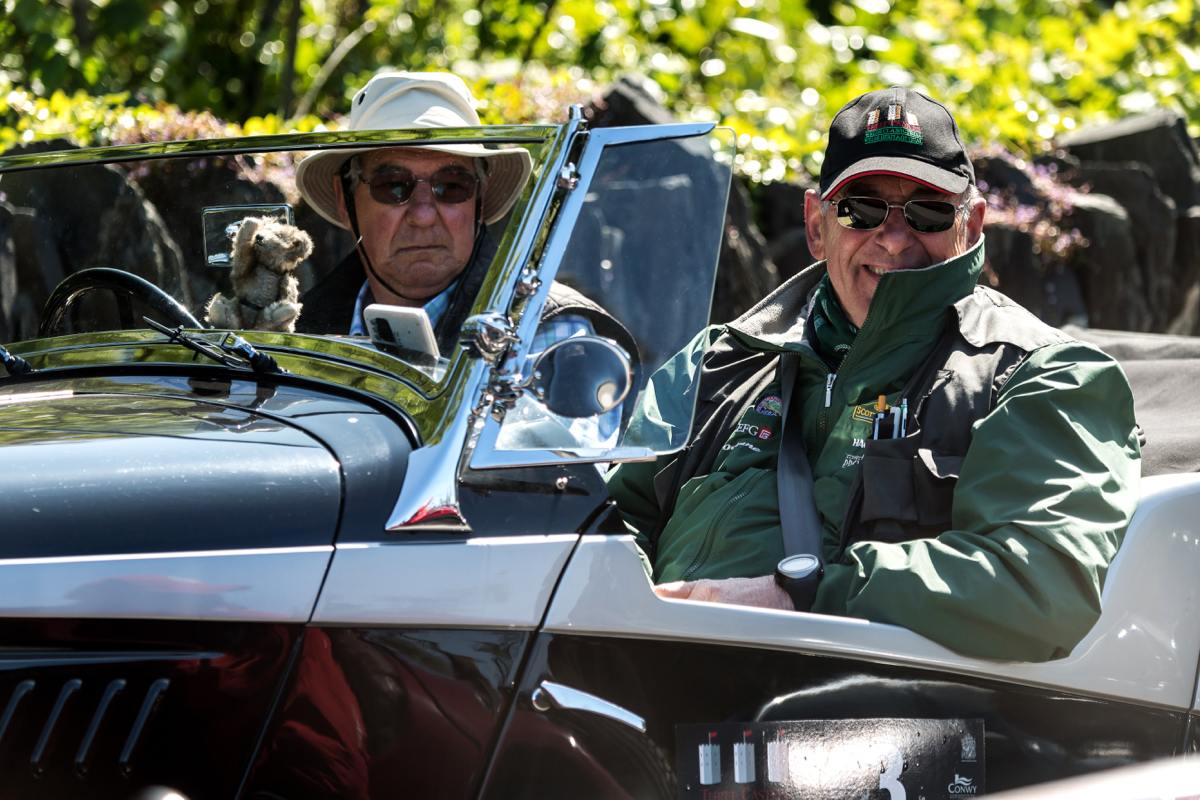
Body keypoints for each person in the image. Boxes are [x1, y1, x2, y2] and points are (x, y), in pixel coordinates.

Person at [605, 86, 1141, 663]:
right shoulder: (715, 362)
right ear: (816, 226)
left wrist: (801, 596)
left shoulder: (1045, 376)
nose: (894, 238)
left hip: (870, 709)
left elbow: (1040, 586)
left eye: (929, 211)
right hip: (646, 689)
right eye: (860, 209)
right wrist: (626, 618)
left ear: (972, 226)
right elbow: (604, 525)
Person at [295, 71, 632, 444]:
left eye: (452, 186)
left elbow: (558, 468)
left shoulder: (545, 330)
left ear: (480, 202)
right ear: (345, 202)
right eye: (393, 186)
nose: (423, 215)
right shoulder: (294, 330)